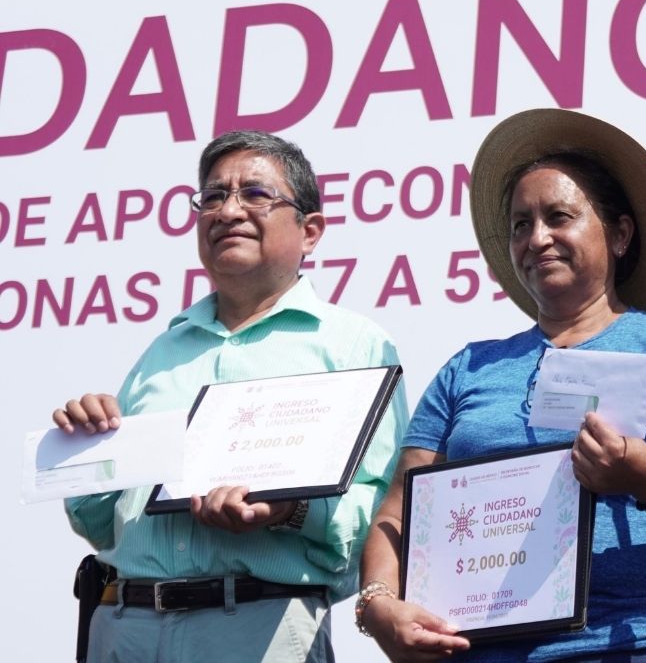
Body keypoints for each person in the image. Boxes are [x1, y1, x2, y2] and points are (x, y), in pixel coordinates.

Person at [357, 108, 646, 661]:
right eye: (520, 225)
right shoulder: (470, 368)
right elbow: (396, 514)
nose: (538, 238)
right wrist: (381, 605)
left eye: (559, 216)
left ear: (620, 234)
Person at [54, 130, 409, 662]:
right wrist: (89, 448)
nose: (227, 210)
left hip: (256, 625)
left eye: (255, 194)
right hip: (123, 625)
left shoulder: (353, 344)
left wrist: (287, 511)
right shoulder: (165, 349)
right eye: (213, 196)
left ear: (310, 232)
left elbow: (382, 513)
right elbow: (100, 521)